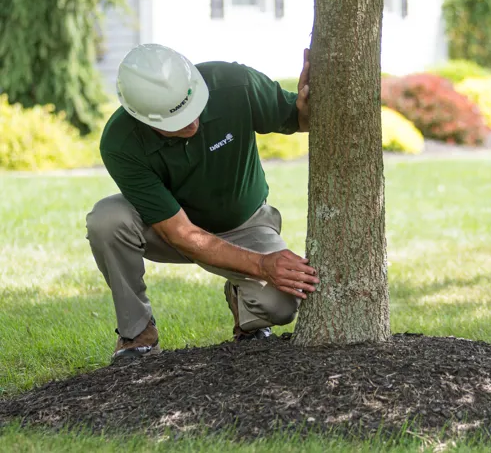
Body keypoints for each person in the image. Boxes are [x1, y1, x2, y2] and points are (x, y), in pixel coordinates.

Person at [86, 43, 319, 361]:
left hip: (244, 224)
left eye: (192, 108)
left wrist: (308, 106)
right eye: (174, 122)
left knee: (280, 305)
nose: (192, 123)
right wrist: (264, 265)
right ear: (141, 118)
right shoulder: (121, 142)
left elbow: (298, 119)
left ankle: (245, 308)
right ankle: (137, 332)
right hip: (172, 230)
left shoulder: (235, 83)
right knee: (106, 220)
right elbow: (181, 234)